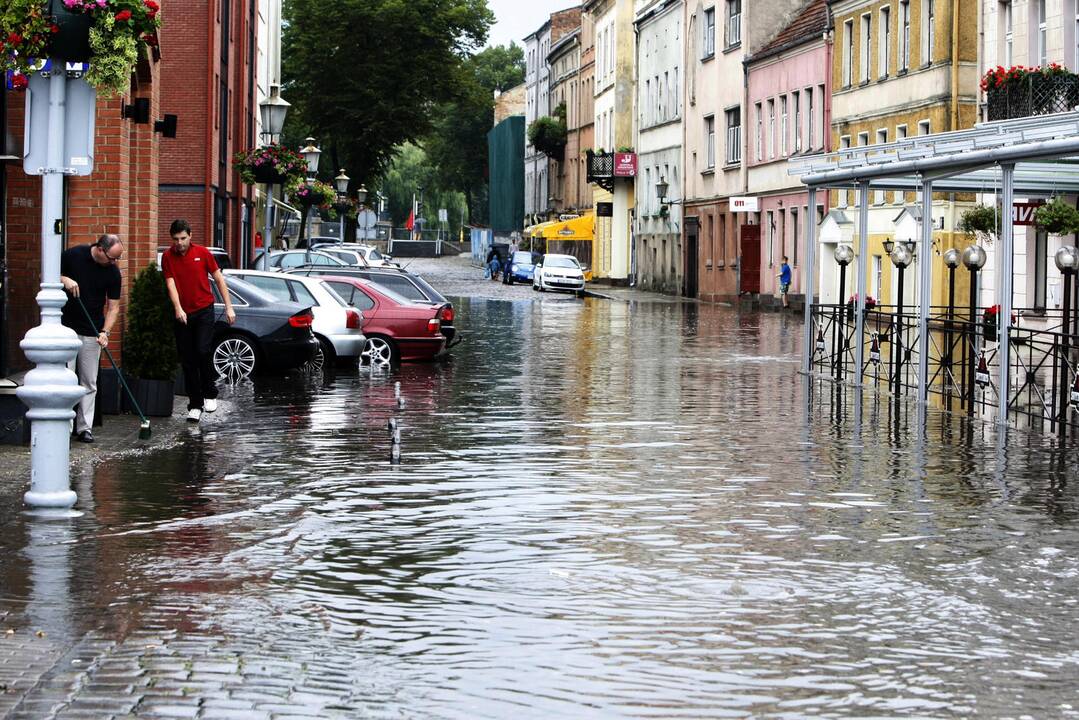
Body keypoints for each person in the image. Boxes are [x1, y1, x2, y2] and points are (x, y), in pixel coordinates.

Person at [161, 219, 236, 423]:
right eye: (176, 239)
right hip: (183, 313)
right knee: (187, 360)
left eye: (183, 238)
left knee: (203, 350)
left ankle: (210, 393)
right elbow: (171, 283)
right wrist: (178, 309)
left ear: (190, 236)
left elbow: (219, 279)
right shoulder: (167, 256)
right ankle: (195, 404)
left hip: (204, 309)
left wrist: (229, 307)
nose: (179, 243)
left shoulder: (202, 253)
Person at [60, 234, 123, 443]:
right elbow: (46, 274)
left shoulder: (113, 272)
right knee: (66, 380)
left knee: (89, 382)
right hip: (66, 329)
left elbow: (114, 307)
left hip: (92, 330)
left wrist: (105, 332)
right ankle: (64, 427)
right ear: (100, 249)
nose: (114, 263)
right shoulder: (73, 255)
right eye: (112, 258)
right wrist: (64, 279)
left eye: (117, 259)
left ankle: (84, 428)